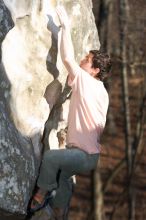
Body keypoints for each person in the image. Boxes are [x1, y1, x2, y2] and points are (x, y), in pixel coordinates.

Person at [29, 6, 111, 220]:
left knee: (51, 158)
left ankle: (41, 194)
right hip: (90, 156)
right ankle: (58, 209)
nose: (83, 59)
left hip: (82, 155)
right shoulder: (101, 91)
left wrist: (66, 27)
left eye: (87, 59)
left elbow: (67, 58)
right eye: (84, 57)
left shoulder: (87, 81)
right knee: (63, 176)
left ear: (95, 70)